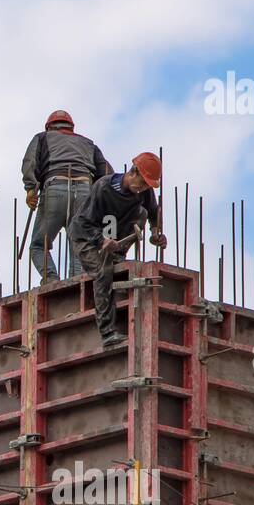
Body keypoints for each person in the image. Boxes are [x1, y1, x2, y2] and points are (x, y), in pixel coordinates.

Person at [68, 152, 168, 348]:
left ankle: (117, 255)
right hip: (86, 236)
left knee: (141, 212)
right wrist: (102, 240)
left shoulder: (144, 192)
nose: (144, 188)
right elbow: (84, 223)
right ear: (133, 172)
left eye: (148, 185)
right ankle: (107, 332)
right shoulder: (103, 188)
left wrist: (156, 234)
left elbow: (154, 212)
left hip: (112, 236)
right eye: (143, 182)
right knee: (103, 271)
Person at [21, 110, 113, 283]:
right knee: (78, 243)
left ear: (49, 127)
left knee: (38, 245)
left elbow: (30, 162)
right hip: (85, 192)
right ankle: (75, 284)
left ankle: (51, 280)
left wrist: (31, 189)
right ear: (71, 127)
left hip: (56, 188)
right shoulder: (88, 144)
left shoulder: (42, 138)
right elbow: (107, 174)